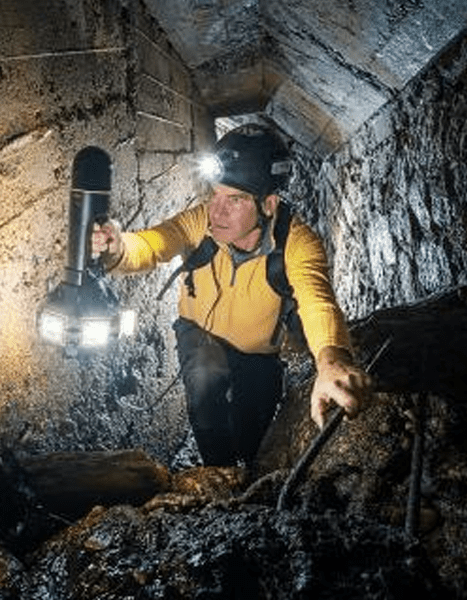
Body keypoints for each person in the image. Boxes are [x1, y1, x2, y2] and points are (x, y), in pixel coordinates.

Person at [91, 124, 371, 468]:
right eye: (215, 195)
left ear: (268, 204)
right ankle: (216, 475)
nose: (217, 211)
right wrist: (119, 247)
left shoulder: (297, 242)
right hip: (199, 336)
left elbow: (317, 302)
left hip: (258, 355)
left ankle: (249, 482)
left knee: (254, 433)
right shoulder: (201, 222)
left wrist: (331, 362)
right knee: (206, 384)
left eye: (235, 200)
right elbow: (154, 243)